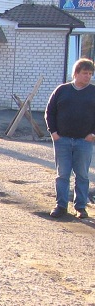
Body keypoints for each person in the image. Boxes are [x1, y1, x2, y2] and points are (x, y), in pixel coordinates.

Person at [44, 58, 95, 219]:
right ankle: (61, 206)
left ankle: (80, 207)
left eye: (90, 74)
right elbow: (49, 112)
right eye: (85, 73)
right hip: (62, 140)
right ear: (76, 73)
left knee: (82, 175)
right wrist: (53, 133)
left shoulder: (93, 91)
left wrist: (93, 134)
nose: (88, 76)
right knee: (62, 174)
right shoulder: (62, 90)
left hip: (84, 141)